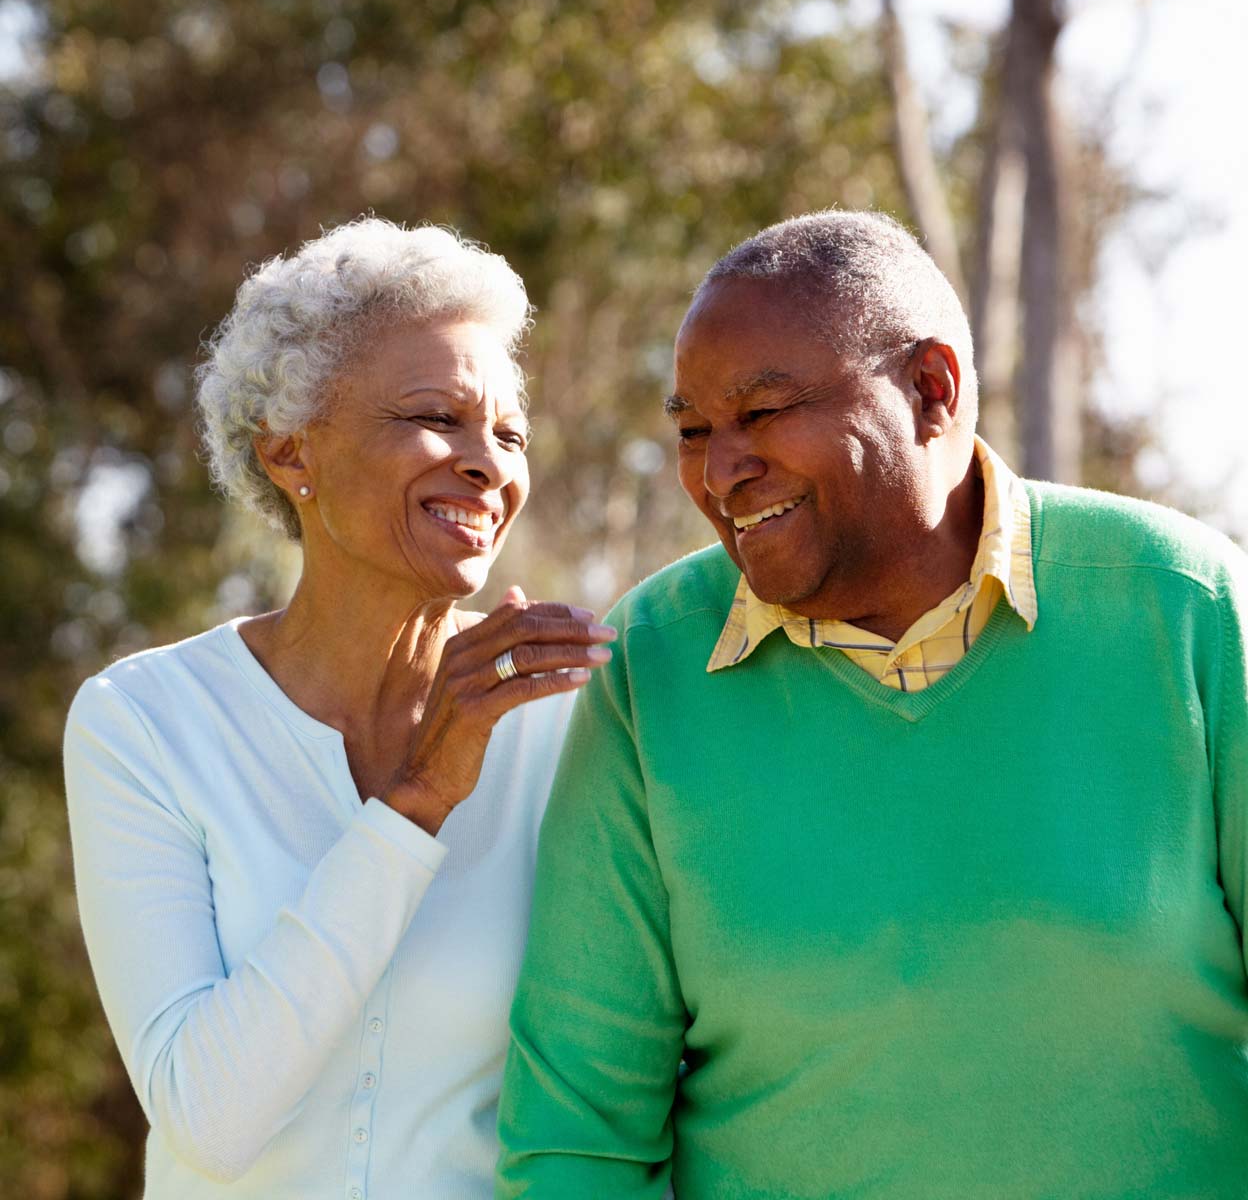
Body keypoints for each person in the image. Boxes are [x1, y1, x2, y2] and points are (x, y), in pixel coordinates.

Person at [496, 209, 1248, 1198]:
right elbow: (576, 1135)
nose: (721, 471)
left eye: (762, 414)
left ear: (931, 390)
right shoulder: (649, 670)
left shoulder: (1185, 606)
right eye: (692, 432)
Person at [62, 217, 615, 1199]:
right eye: (432, 417)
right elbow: (207, 1119)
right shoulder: (144, 722)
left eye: (509, 432)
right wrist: (414, 806)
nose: (489, 465)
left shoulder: (567, 720)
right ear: (290, 454)